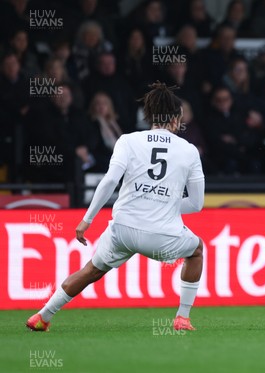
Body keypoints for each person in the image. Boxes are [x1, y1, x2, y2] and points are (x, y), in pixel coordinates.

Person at [26, 82, 205, 332]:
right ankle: (182, 318)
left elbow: (109, 180)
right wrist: (164, 204)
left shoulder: (128, 140)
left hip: (123, 230)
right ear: (177, 119)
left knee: (91, 271)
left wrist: (87, 219)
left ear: (150, 116)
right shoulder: (189, 151)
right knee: (196, 250)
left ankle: (42, 316)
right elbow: (197, 204)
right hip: (163, 236)